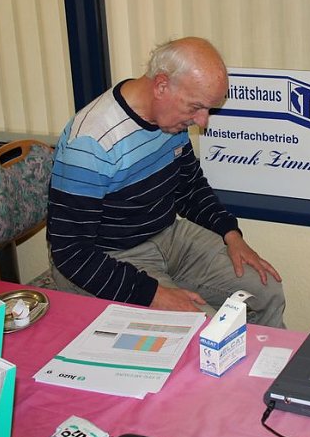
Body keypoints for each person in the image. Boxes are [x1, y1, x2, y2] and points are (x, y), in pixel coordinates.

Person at [47, 36, 286, 327]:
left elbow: (189, 188)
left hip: (167, 234)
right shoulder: (91, 142)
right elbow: (70, 253)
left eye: (208, 109)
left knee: (266, 292)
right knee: (208, 330)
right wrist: (153, 294)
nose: (203, 121)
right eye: (196, 107)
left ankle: (270, 370)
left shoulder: (169, 120)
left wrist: (230, 233)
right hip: (107, 256)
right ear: (161, 85)